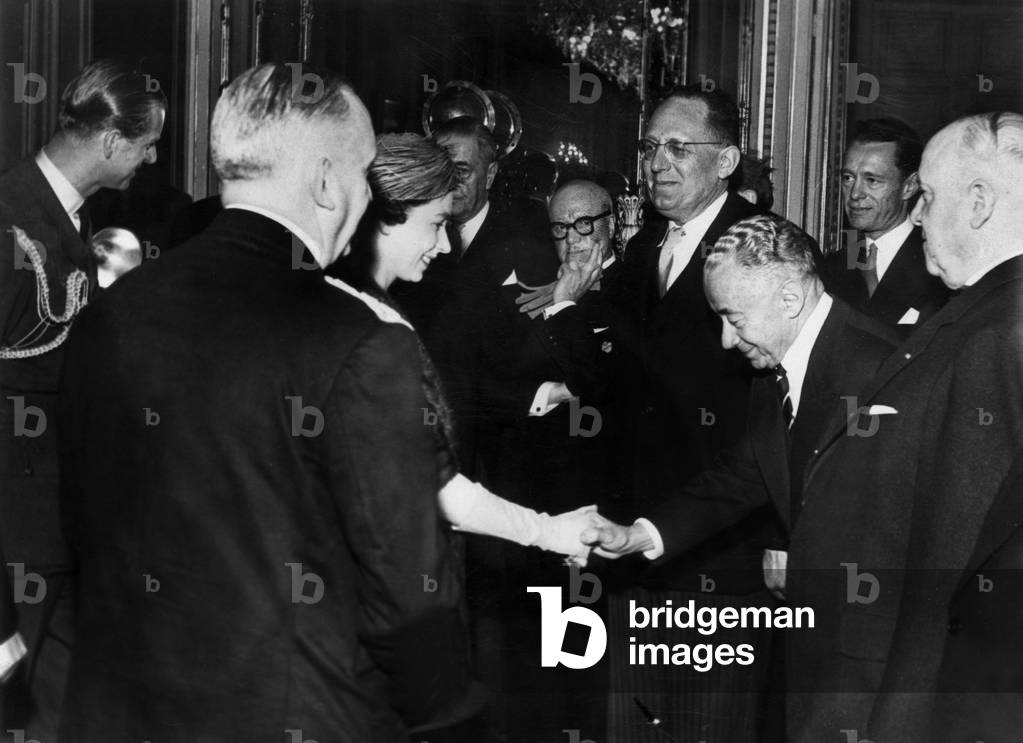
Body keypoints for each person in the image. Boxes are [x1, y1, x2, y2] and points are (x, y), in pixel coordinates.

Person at [57, 63, 478, 743]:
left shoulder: (112, 312)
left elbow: (85, 527)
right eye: (363, 174)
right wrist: (450, 721)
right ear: (323, 181)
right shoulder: (361, 342)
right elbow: (410, 601)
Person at [582, 213, 900, 741]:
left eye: (734, 317)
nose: (727, 341)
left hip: (870, 650)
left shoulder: (881, 367)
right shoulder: (774, 369)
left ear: (790, 300)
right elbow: (744, 475)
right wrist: (644, 533)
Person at [605, 85, 779, 742]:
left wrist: (777, 540)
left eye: (679, 147)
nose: (658, 163)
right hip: (632, 548)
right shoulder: (638, 252)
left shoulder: (769, 250)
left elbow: (782, 414)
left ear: (727, 159)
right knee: (632, 726)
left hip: (723, 556)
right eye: (650, 147)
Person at [0, 58, 165, 738]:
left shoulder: (65, 218)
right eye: (147, 141)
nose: (152, 157)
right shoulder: (11, 221)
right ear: (108, 140)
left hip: (55, 530)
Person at [861, 111, 1023, 742]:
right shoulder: (989, 315)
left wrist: (897, 721)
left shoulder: (993, 337)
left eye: (927, 196)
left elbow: (949, 569)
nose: (918, 217)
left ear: (978, 201)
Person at [823, 118, 949, 329]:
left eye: (872, 181)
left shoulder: (939, 265)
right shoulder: (834, 266)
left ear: (909, 187)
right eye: (848, 178)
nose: (855, 193)